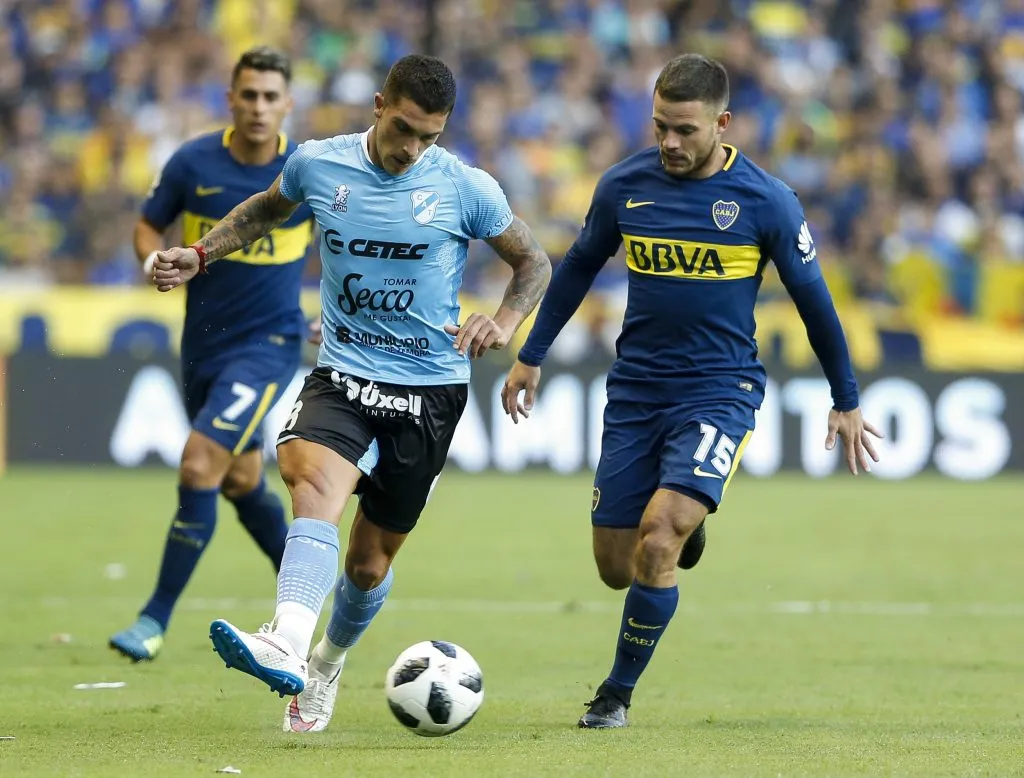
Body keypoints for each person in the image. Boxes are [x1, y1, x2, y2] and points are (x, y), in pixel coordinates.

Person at [152, 54, 552, 732]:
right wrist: (200, 255)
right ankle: (286, 641)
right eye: (403, 129)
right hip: (343, 372)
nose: (413, 148)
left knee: (369, 565)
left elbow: (533, 261)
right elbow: (263, 211)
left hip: (428, 392)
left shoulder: (465, 187)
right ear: (377, 105)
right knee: (310, 481)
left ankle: (326, 661)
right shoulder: (320, 163)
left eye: (429, 136)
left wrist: (505, 321)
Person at [501, 54, 882, 729]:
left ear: (722, 123)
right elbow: (579, 267)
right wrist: (531, 353)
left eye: (684, 130)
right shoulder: (625, 186)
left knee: (658, 538)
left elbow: (816, 305)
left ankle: (615, 694)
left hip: (719, 391)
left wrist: (845, 398)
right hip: (636, 392)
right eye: (659, 128)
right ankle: (686, 528)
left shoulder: (767, 201)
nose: (670, 144)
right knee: (615, 567)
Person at [109, 47, 316, 662]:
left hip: (270, 345)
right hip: (201, 347)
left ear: (287, 104)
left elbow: (343, 243)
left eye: (270, 97)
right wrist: (153, 260)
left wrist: (337, 312)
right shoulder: (192, 161)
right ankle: (309, 591)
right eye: (248, 95)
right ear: (231, 99)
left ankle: (153, 619)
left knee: (200, 465)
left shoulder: (306, 172)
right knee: (240, 479)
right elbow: (149, 223)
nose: (258, 107)